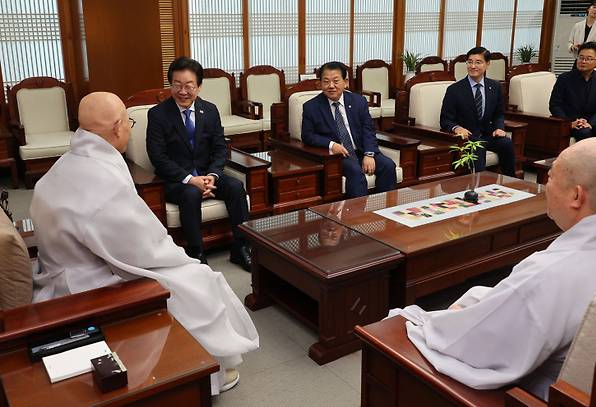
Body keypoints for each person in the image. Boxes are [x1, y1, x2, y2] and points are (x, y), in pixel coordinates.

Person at [389, 137, 596, 400]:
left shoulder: (550, 274)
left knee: (397, 329)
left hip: (545, 394)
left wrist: (417, 320)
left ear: (576, 195)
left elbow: (472, 346)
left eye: (549, 178)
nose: (545, 185)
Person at [30, 92, 259, 394]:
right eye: (128, 122)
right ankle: (209, 370)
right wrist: (183, 259)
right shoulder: (100, 180)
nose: (129, 128)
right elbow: (144, 248)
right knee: (196, 279)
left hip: (70, 266)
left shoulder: (67, 164)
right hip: (89, 282)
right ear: (116, 128)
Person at [146, 56, 251, 270]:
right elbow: (157, 156)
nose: (183, 91)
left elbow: (220, 148)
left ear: (199, 86)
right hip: (176, 180)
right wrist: (190, 179)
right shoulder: (158, 114)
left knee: (235, 187)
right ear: (170, 85)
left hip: (206, 175)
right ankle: (196, 252)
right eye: (177, 85)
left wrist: (212, 175)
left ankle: (241, 248)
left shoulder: (210, 110)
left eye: (189, 86)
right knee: (191, 193)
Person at [301, 61, 396, 198]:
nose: (331, 86)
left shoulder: (359, 101)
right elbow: (307, 135)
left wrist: (369, 154)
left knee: (388, 166)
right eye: (326, 81)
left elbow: (368, 129)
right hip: (338, 155)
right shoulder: (311, 107)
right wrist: (332, 145)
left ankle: (383, 210)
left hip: (361, 150)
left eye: (336, 81)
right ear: (320, 84)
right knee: (355, 171)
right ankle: (357, 217)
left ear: (346, 82)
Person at [440, 47, 516, 177]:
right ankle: (480, 189)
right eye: (470, 62)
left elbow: (498, 114)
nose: (473, 66)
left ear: (487, 64)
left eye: (478, 62)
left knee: (506, 143)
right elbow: (445, 119)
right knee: (478, 150)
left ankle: (511, 181)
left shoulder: (495, 87)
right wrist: (457, 128)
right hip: (468, 138)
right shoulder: (454, 90)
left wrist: (499, 128)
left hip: (488, 134)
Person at [549, 42, 596, 142]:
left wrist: (591, 123)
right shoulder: (564, 79)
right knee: (584, 132)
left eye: (588, 59)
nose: (583, 61)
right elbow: (554, 105)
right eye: (581, 57)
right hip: (570, 121)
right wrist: (569, 123)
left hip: (592, 121)